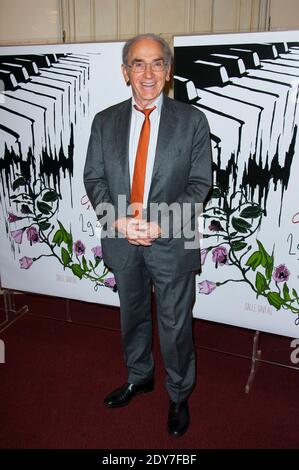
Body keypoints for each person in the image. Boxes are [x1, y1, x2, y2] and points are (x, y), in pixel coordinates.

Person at [84, 33, 212, 437]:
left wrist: (162, 222)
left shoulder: (192, 121)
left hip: (173, 237)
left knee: (175, 325)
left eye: (157, 63)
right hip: (123, 238)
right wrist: (118, 221)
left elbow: (199, 183)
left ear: (168, 71)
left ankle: (178, 394)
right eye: (138, 64)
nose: (148, 72)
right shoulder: (104, 121)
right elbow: (94, 178)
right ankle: (140, 377)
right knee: (132, 316)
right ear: (125, 72)